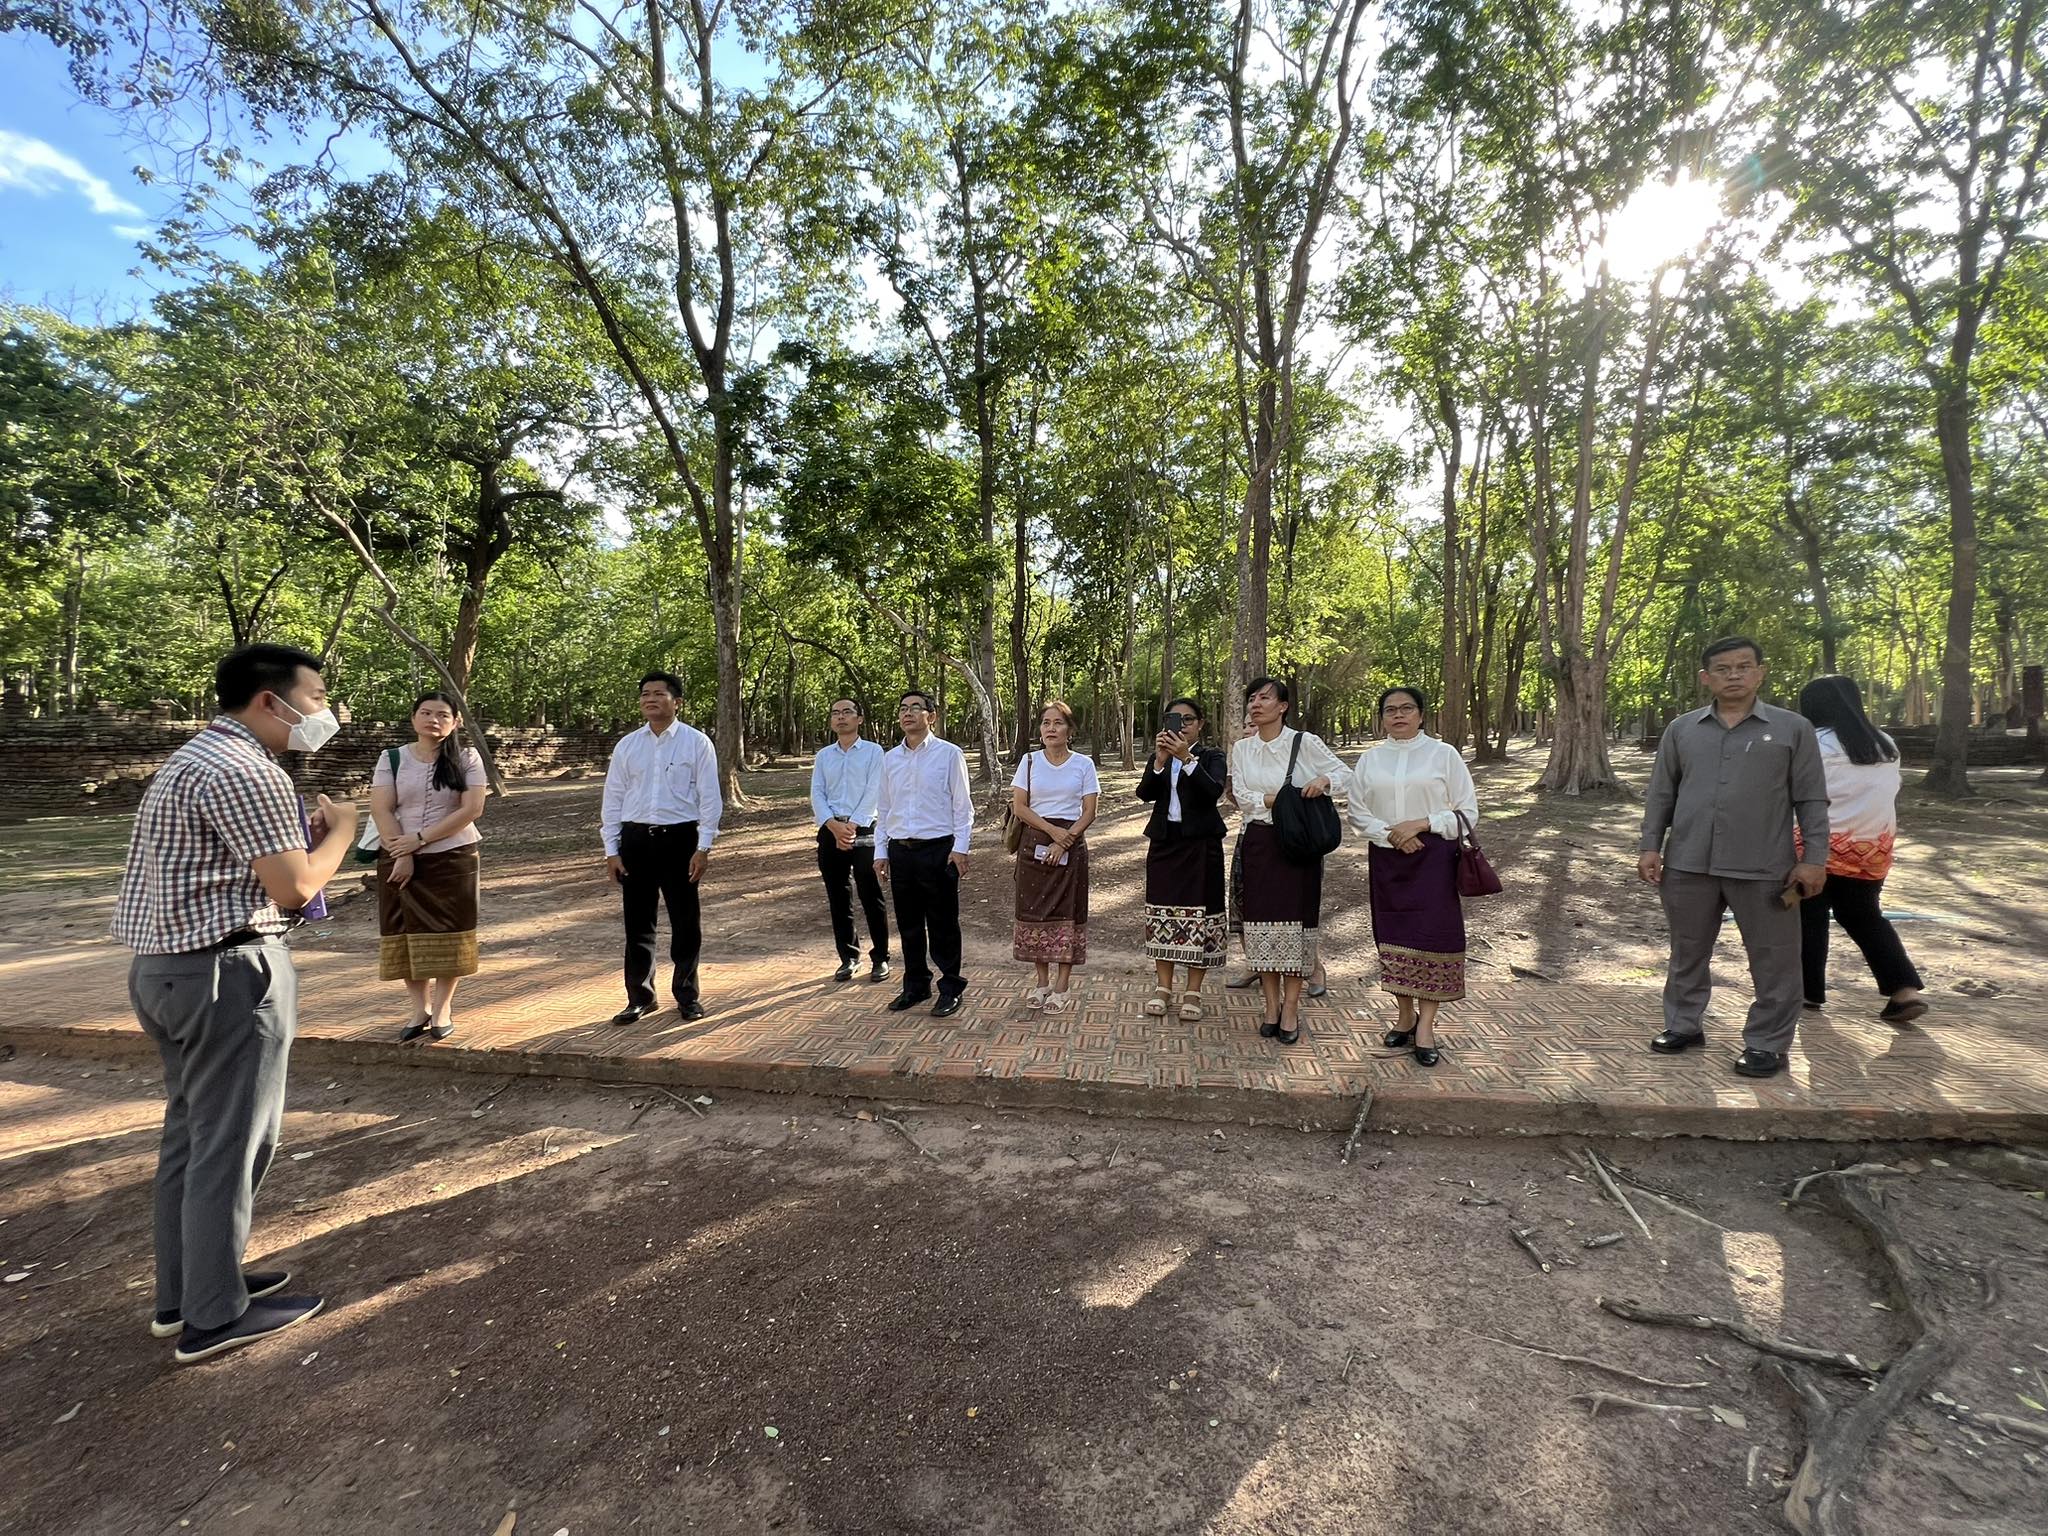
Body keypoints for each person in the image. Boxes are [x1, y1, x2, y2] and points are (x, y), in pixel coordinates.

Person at [111, 643, 356, 1363]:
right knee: (233, 1140)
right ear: (270, 700)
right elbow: (295, 889)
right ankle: (213, 1318)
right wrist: (344, 834)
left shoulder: (192, 761)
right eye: (316, 697)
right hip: (228, 973)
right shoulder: (251, 770)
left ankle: (187, 1291)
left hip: (166, 971)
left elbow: (236, 865)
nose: (325, 712)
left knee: (192, 1136)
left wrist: (304, 847)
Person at [1639, 636, 1829, 1078]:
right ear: (1706, 678)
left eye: (1744, 666)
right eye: (1723, 669)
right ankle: (1683, 1024)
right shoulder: (1682, 729)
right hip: (1688, 862)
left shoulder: (1792, 728)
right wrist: (1650, 845)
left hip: (1764, 865)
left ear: (1760, 672)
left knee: (1775, 957)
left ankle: (1767, 1043)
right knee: (1687, 950)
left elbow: (1811, 798)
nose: (1734, 676)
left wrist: (1814, 857)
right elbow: (1662, 793)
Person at [1347, 686, 1478, 1067]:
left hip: (1434, 858)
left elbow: (1467, 812)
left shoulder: (1444, 754)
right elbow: (1357, 812)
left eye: (1407, 708)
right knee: (1394, 937)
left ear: (1421, 714)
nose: (1399, 715)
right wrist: (1392, 834)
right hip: (1387, 858)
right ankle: (1405, 1017)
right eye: (1390, 710)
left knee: (1434, 938)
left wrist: (1422, 824)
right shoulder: (1370, 759)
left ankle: (1426, 1027)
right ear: (1382, 718)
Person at [1796, 675, 1928, 1023]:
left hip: (1815, 847)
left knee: (1808, 916)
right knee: (1864, 916)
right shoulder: (1885, 743)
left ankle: (1807, 992)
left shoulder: (1812, 743)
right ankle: (1904, 990)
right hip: (1871, 849)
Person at [1228, 676, 1349, 1044]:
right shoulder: (1242, 748)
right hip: (1259, 844)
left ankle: (1291, 1008)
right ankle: (1270, 1006)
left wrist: (1323, 781)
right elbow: (1242, 797)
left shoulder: (1304, 742)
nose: (1256, 704)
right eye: (1252, 698)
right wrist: (1285, 798)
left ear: (1283, 706)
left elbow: (1346, 774)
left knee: (1297, 928)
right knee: (1261, 928)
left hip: (1298, 847)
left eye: (1265, 698)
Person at [601, 671, 723, 1025]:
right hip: (635, 841)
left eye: (658, 693)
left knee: (686, 922)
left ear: (676, 701)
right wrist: (612, 849)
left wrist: (704, 847)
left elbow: (709, 798)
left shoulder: (696, 743)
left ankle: (687, 995)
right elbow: (613, 798)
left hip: (680, 840)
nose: (650, 699)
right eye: (645, 694)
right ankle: (640, 997)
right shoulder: (628, 746)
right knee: (638, 923)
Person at [369, 692, 488, 1042]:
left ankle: (442, 1008)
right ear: (413, 718)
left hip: (452, 855)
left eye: (442, 715)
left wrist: (419, 840)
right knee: (404, 929)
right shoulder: (392, 758)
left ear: (455, 722)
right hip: (397, 855)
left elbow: (471, 809)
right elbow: (381, 808)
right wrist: (403, 852)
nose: (433, 720)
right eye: (425, 712)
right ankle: (418, 1008)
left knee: (450, 931)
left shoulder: (467, 758)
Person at [874, 689, 973, 1018]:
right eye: (903, 708)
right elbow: (884, 809)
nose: (908, 713)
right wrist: (881, 852)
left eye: (916, 708)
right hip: (900, 851)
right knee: (909, 924)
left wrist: (960, 848)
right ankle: (916, 985)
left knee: (943, 923)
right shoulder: (890, 759)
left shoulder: (949, 754)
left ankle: (951, 987)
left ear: (931, 716)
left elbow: (962, 807)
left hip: (938, 850)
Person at [1137, 695, 1229, 1020]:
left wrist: (1187, 758)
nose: (1182, 725)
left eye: (1188, 719)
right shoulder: (1160, 756)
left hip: (1201, 845)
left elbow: (1213, 791)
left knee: (1200, 916)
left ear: (1200, 724)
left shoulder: (1212, 756)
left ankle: (1193, 990)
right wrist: (1160, 762)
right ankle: (1163, 987)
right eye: (1174, 720)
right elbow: (1145, 793)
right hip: (1164, 844)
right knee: (1162, 914)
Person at [1010, 699, 1101, 1012]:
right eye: (1046, 722)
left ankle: (1062, 985)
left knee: (1068, 913)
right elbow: (1020, 807)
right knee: (1035, 912)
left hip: (1071, 845)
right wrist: (1052, 832)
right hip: (1034, 843)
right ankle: (1041, 983)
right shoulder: (1029, 761)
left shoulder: (1083, 765)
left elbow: (1089, 811)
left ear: (1070, 729)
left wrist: (1064, 841)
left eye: (1058, 723)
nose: (1051, 728)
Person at [810, 697, 892, 984]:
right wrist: (833, 826)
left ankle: (881, 958)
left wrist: (852, 825)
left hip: (865, 830)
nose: (841, 717)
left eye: (847, 712)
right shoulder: (824, 756)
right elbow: (817, 793)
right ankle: (849, 957)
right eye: (835, 713)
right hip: (830, 831)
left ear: (859, 719)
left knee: (871, 895)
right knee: (838, 896)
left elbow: (874, 791)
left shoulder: (873, 752)